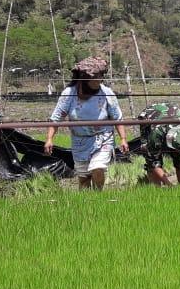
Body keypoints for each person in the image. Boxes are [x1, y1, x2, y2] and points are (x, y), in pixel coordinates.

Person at [44, 56, 128, 190]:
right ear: (85, 78)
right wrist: (49, 139)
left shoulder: (106, 93)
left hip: (103, 138)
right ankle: (87, 202)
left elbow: (117, 118)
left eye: (101, 76)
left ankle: (98, 194)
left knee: (98, 168)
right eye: (97, 76)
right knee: (83, 178)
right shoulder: (69, 94)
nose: (100, 79)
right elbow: (56, 118)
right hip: (80, 141)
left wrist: (123, 139)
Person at [137, 102, 180, 186]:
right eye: (177, 149)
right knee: (150, 157)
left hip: (173, 115)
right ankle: (156, 189)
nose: (179, 152)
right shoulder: (157, 132)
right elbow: (153, 162)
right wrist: (168, 184)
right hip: (149, 117)